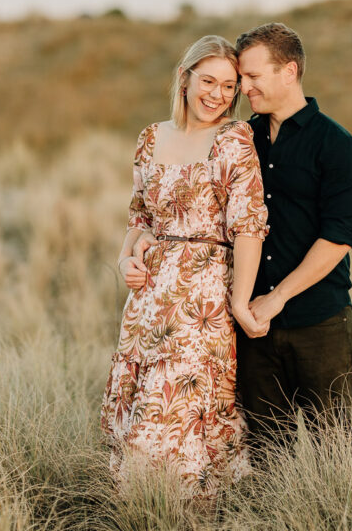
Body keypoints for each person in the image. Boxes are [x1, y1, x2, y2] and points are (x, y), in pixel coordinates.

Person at [99, 35, 269, 500]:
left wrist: (238, 301)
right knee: (142, 394)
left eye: (229, 86)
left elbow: (250, 228)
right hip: (147, 300)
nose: (217, 94)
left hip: (202, 300)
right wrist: (126, 259)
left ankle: (185, 509)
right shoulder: (151, 137)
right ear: (184, 77)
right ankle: (140, 508)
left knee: (181, 405)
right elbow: (138, 218)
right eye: (207, 81)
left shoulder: (234, 140)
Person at [234, 22, 352, 462]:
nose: (244, 87)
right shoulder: (243, 141)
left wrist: (278, 297)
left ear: (288, 72)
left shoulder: (335, 145)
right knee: (267, 453)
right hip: (254, 327)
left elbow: (337, 238)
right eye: (242, 78)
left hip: (319, 324)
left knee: (335, 451)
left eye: (253, 76)